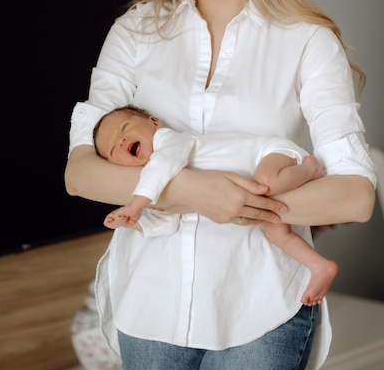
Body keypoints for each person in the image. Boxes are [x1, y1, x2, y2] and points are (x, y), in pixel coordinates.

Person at [65, 0, 376, 370]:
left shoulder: (307, 40)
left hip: (262, 303)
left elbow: (355, 194)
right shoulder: (134, 33)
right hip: (148, 302)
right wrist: (188, 191)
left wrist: (239, 205)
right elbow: (80, 173)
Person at [93, 105, 337, 307]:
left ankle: (310, 168)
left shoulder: (168, 142)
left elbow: (163, 164)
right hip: (256, 178)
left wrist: (135, 205)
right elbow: (168, 221)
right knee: (275, 230)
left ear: (154, 123)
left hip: (269, 153)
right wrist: (136, 222)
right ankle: (320, 266)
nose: (122, 139)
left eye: (124, 129)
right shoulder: (159, 182)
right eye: (114, 149)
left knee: (267, 184)